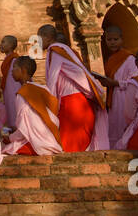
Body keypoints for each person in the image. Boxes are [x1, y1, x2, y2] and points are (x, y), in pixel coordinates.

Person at [40, 24, 113, 152]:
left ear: (46, 37)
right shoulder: (61, 50)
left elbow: (53, 78)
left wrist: (49, 103)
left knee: (69, 147)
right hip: (76, 101)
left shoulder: (56, 51)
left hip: (73, 103)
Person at [2, 56, 63, 156]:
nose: (11, 71)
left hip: (37, 144)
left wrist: (10, 138)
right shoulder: (43, 88)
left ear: (23, 70)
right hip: (52, 139)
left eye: (14, 67)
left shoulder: (23, 94)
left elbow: (23, 128)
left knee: (6, 149)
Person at [99, 25, 138, 148]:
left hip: (125, 97)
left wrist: (115, 83)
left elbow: (135, 81)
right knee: (114, 126)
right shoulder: (110, 59)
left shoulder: (129, 58)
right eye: (109, 40)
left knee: (124, 125)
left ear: (122, 40)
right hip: (113, 96)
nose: (112, 43)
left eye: (115, 39)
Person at [0, 35, 21, 125]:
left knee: (15, 114)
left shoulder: (15, 60)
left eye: (3, 42)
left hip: (15, 91)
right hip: (8, 91)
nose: (0, 44)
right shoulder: (7, 60)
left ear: (11, 45)